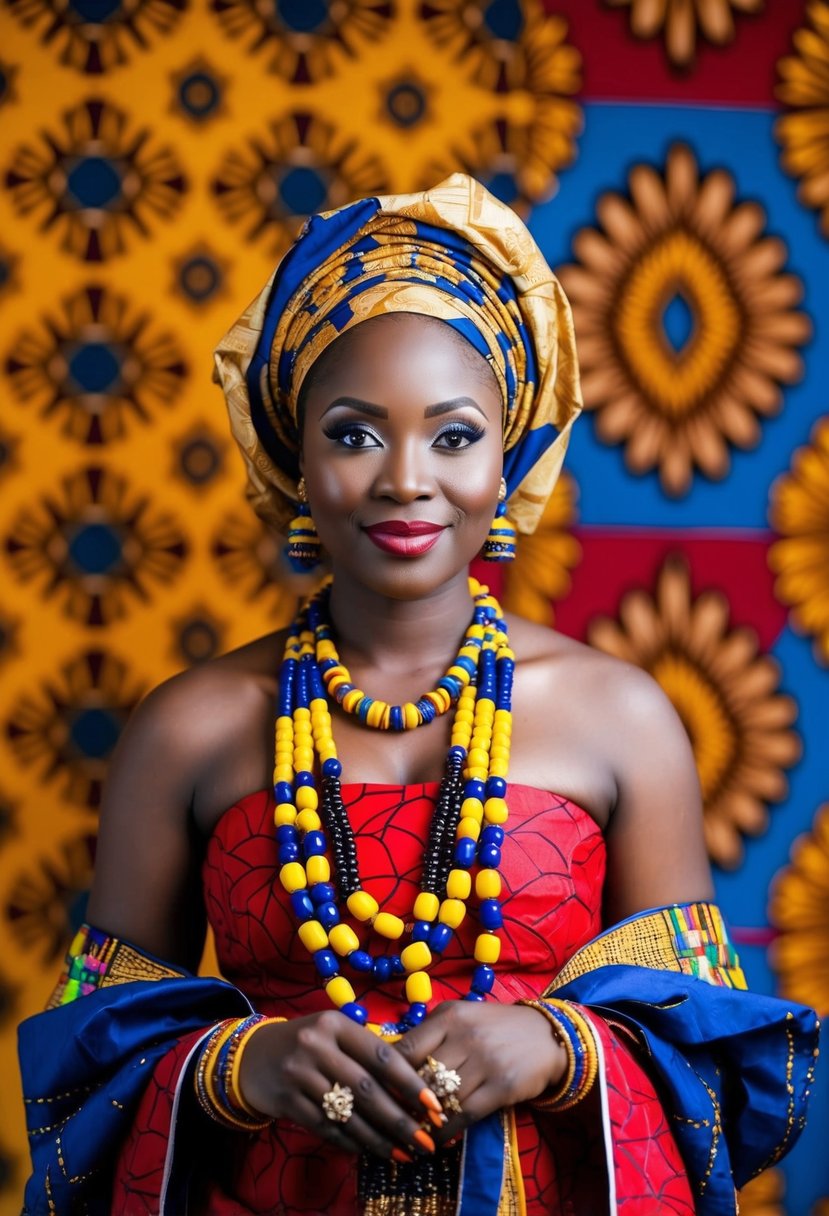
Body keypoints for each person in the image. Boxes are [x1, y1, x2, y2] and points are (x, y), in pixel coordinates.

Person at [19, 174, 818, 1216]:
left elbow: (718, 1062)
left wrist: (556, 1045)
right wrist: (246, 1065)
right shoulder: (189, 727)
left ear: (509, 456)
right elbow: (86, 1066)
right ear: (292, 451)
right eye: (353, 432)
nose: (406, 477)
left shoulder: (619, 716)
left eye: (453, 435)